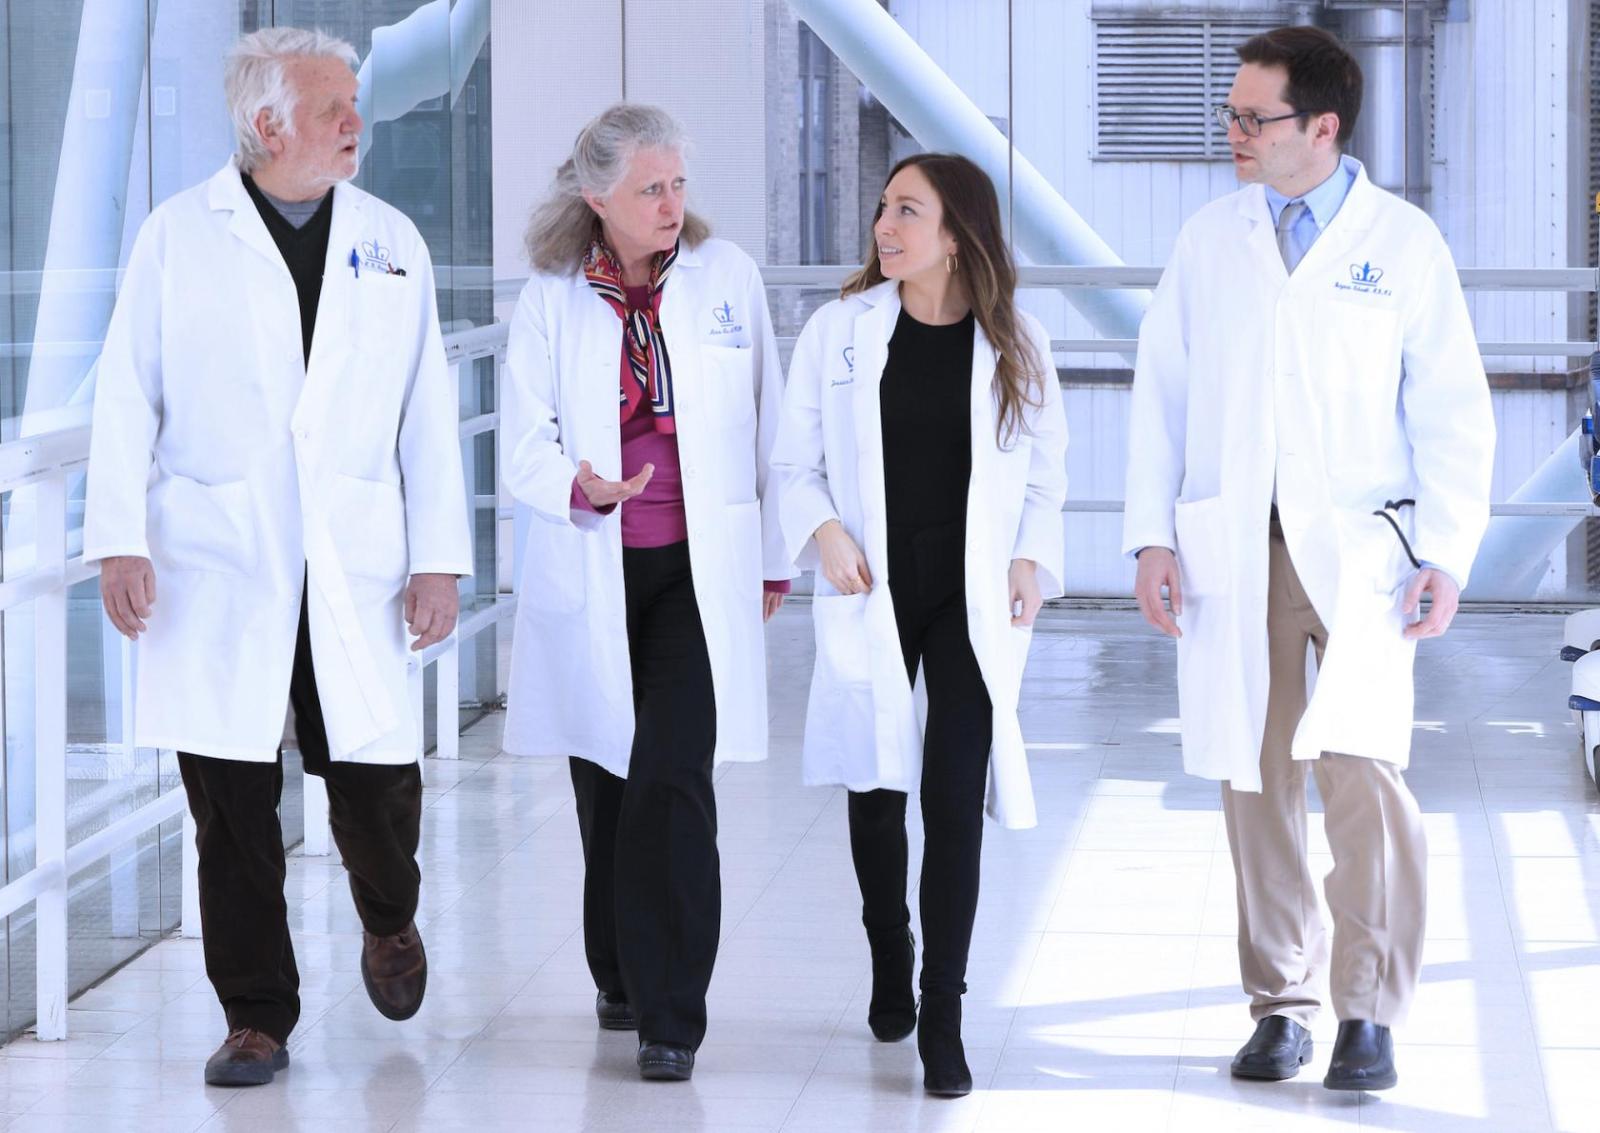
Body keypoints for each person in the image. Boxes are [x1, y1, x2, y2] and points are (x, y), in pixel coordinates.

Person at [82, 27, 472, 1087]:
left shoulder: (391, 238)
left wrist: (439, 557)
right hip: (220, 555)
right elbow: (126, 392)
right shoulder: (177, 235)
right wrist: (118, 534)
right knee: (230, 804)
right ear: (267, 123)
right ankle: (256, 1013)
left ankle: (389, 915)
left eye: (354, 103)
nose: (357, 121)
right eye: (335, 106)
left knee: (375, 780)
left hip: (352, 554)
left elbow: (428, 411)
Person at [1122, 25, 1494, 1092]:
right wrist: (1152, 532)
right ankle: (1278, 1000)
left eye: (1253, 118)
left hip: (1369, 550)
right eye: (1231, 113)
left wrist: (1448, 554)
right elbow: (1164, 394)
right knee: (1257, 772)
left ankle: (1367, 1008)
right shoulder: (1209, 238)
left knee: (1365, 772)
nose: (1230, 132)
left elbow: (1452, 413)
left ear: (1320, 128)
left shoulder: (1403, 242)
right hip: (1239, 547)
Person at [500, 103, 790, 1083]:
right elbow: (522, 441)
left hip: (693, 575)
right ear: (597, 198)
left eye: (677, 185)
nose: (671, 205)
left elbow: (769, 421)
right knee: (608, 785)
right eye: (649, 190)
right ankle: (617, 968)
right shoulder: (549, 295)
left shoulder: (726, 278)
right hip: (594, 564)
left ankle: (672, 1013)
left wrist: (773, 551)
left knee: (672, 779)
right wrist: (574, 485)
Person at [773, 153, 1068, 1098]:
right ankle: (888, 951)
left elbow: (1048, 464)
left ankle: (943, 1012)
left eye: (908, 210)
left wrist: (1031, 553)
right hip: (874, 587)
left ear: (957, 231)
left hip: (970, 599)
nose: (884, 227)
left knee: (953, 798)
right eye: (882, 209)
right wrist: (821, 532)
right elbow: (793, 461)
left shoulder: (1016, 338)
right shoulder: (841, 331)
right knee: (875, 785)